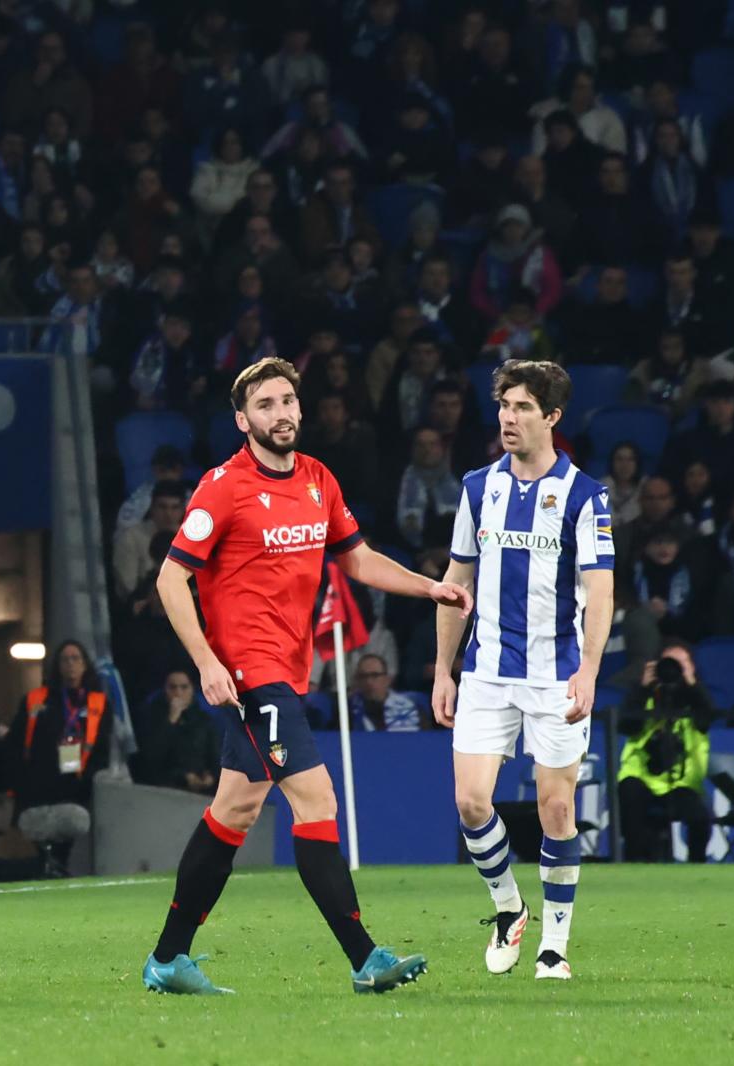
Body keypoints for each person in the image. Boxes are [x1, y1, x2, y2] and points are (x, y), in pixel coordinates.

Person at [142, 357, 471, 997]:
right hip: (251, 670)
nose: (282, 412)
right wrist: (209, 662)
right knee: (315, 800)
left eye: (288, 400)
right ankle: (365, 958)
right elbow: (169, 577)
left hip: (289, 671)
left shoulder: (318, 478)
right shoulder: (223, 486)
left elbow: (359, 561)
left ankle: (167, 959)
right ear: (243, 420)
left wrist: (430, 588)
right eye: (265, 404)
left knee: (235, 810)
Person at [432, 360, 614, 983]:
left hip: (555, 674)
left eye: (523, 408)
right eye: (505, 406)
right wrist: (443, 670)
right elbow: (457, 581)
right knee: (470, 801)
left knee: (556, 810)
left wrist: (588, 670)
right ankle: (510, 908)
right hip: (487, 670)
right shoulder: (479, 487)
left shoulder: (587, 496)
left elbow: (601, 590)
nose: (509, 418)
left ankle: (554, 948)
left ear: (552, 418)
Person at [10, 641, 114, 877]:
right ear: (56, 666)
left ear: (85, 665)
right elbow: (16, 742)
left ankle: (57, 867)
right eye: (65, 659)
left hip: (76, 784)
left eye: (76, 658)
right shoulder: (36, 700)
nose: (70, 665)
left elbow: (102, 746)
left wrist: (89, 778)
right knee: (41, 833)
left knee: (67, 834)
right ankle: (49, 867)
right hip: (39, 782)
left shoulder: (97, 703)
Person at [616, 641, 715, 863]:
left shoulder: (696, 699)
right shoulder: (646, 695)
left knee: (699, 818)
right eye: (669, 663)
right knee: (629, 792)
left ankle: (697, 866)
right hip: (642, 776)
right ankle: (634, 862)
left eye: (680, 664)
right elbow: (626, 726)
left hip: (682, 782)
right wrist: (643, 688)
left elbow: (707, 720)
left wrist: (691, 683)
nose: (674, 668)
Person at [131, 669, 219, 793]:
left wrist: (210, 776)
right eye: (172, 687)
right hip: (164, 788)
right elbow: (150, 757)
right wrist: (171, 720)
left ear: (192, 689)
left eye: (184, 687)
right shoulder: (151, 716)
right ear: (164, 690)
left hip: (198, 790)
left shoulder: (204, 721)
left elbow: (215, 756)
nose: (178, 693)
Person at [348, 654, 426, 731]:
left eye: (375, 675)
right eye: (363, 676)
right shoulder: (347, 711)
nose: (369, 682)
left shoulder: (412, 709)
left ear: (387, 679)